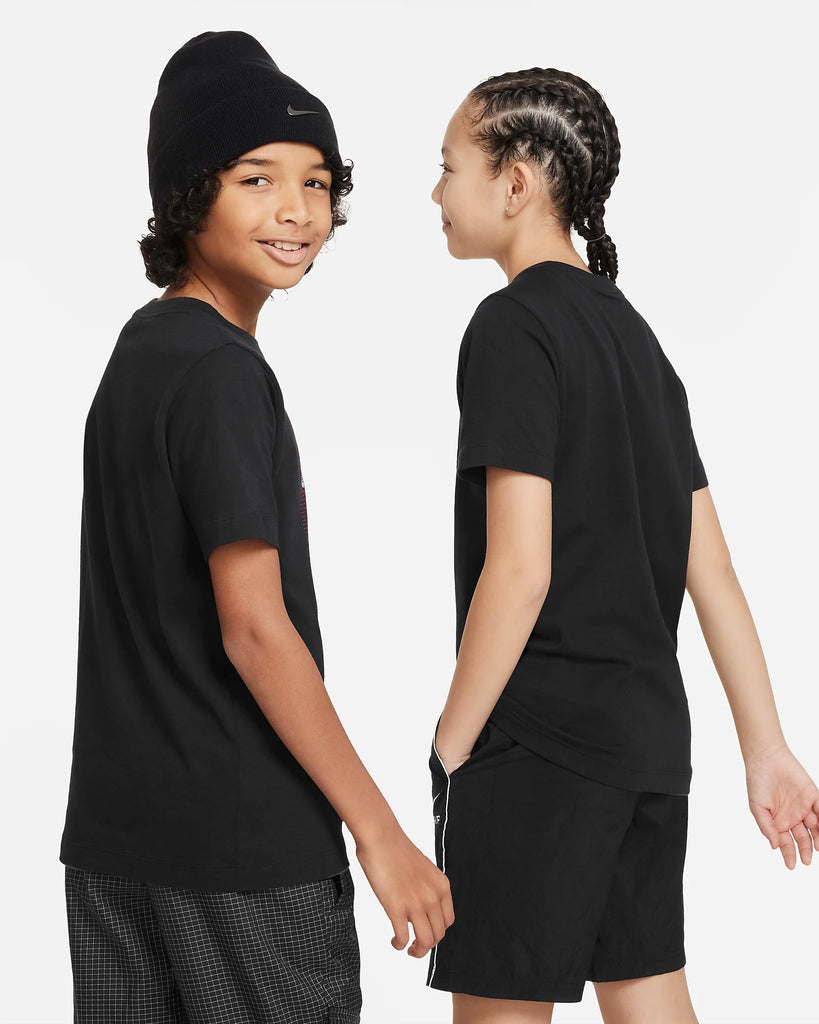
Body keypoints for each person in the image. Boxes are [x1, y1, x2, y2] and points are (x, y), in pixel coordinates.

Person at [59, 30, 452, 1024]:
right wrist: (379, 833)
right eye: (257, 179)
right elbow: (255, 628)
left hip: (119, 846)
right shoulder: (221, 372)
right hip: (244, 852)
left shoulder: (140, 354)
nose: (297, 210)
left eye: (317, 182)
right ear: (189, 194)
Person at [427, 67, 819, 1024]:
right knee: (648, 997)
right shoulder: (637, 341)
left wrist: (450, 743)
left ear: (514, 184)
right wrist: (765, 749)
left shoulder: (511, 327)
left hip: (539, 741)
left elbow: (520, 570)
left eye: (447, 167)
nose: (434, 192)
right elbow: (710, 569)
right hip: (646, 744)